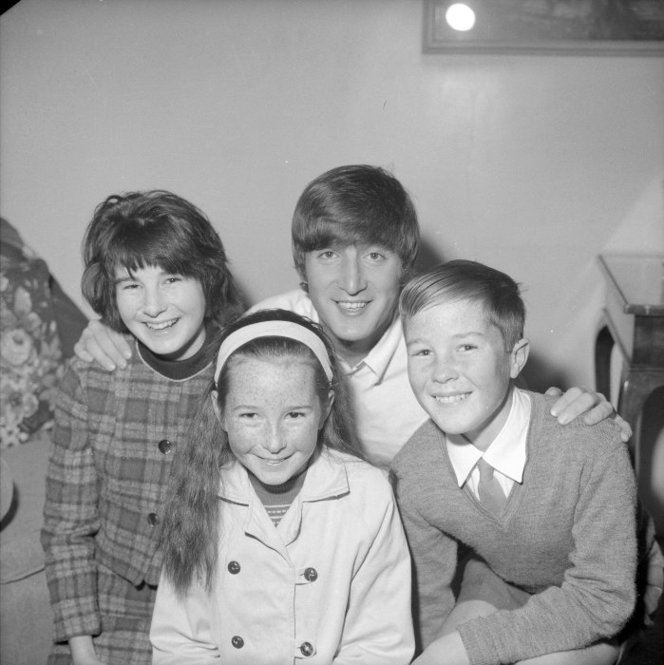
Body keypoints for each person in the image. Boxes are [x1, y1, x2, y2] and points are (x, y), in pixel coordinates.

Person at [71, 165, 630, 467]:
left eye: (376, 256)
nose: (353, 282)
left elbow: (522, 427)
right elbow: (183, 344)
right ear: (302, 267)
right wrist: (108, 333)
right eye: (328, 255)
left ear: (405, 267)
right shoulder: (265, 330)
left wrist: (574, 411)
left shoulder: (444, 347)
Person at [391, 260, 638, 665]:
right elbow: (427, 602)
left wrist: (471, 647)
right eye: (422, 351)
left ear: (516, 359)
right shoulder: (414, 472)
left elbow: (606, 598)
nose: (441, 372)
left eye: (466, 347)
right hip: (502, 579)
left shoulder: (590, 441)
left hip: (601, 598)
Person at [41, 191, 243, 665]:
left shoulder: (245, 369)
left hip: (219, 606)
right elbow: (65, 530)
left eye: (172, 279)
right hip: (111, 613)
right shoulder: (91, 375)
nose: (153, 306)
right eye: (131, 285)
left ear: (208, 280)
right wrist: (82, 648)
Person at [149, 309, 414, 664]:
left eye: (294, 415)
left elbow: (379, 643)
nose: (274, 443)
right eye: (249, 416)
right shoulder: (200, 494)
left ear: (325, 408)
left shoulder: (367, 493)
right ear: (219, 410)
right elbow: (181, 643)